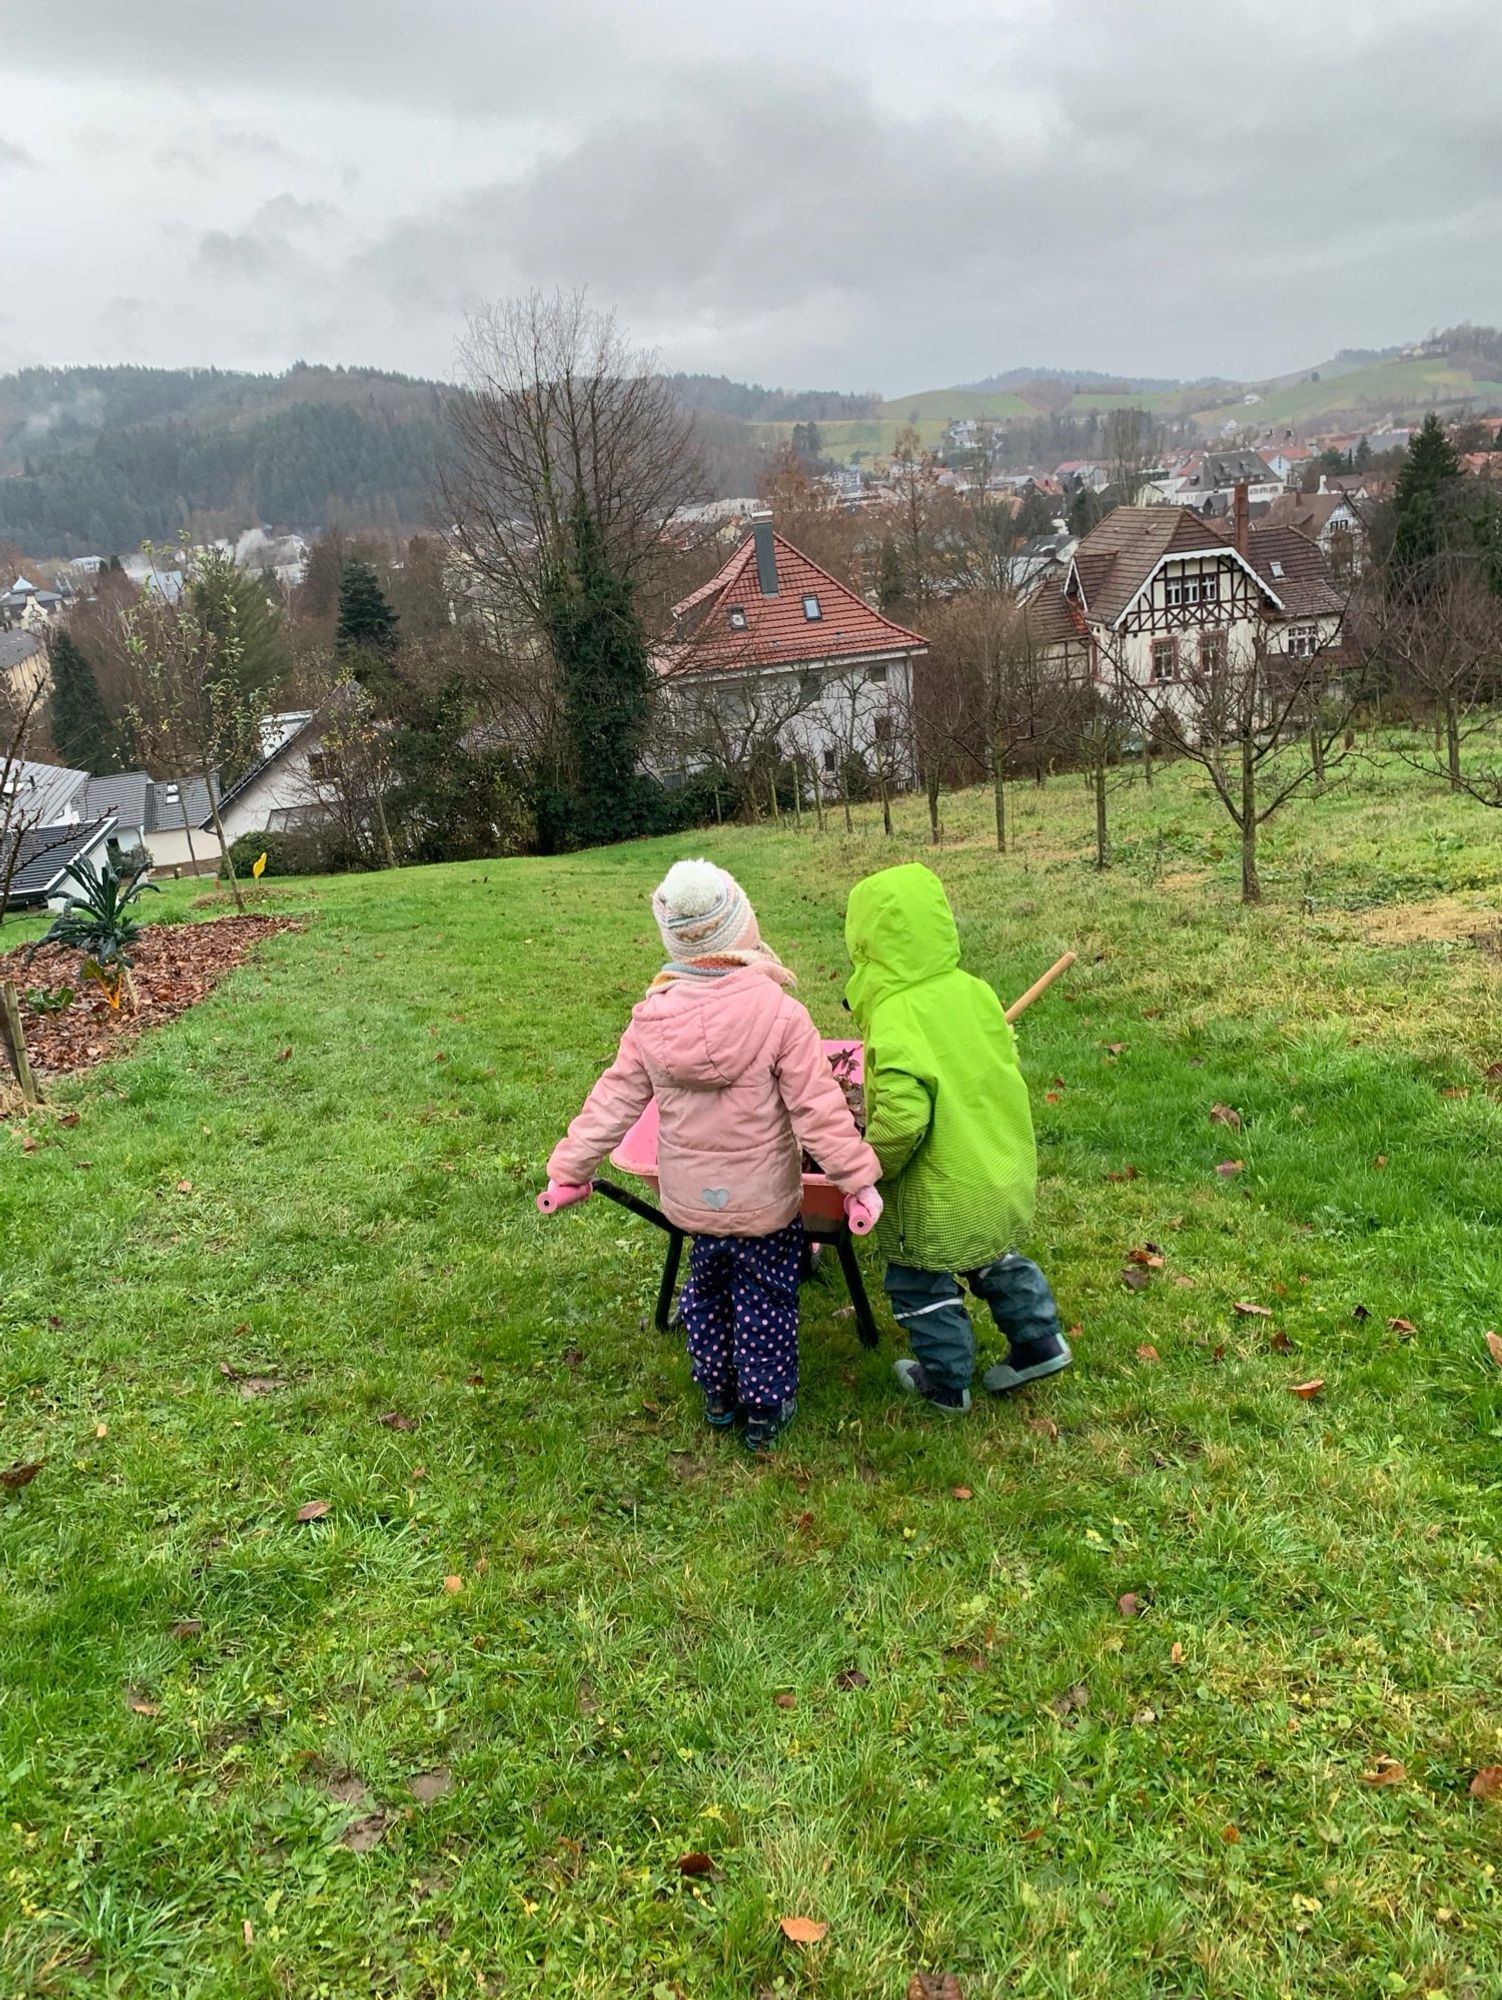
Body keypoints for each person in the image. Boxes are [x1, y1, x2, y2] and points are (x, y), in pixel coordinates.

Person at [539, 859, 881, 1452]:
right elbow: (818, 1112)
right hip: (766, 1205)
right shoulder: (779, 1014)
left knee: (707, 1294)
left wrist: (569, 1170)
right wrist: (856, 1182)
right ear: (743, 928)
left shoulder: (653, 1021)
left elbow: (613, 1101)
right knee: (765, 1299)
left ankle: (719, 1396)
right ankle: (765, 1408)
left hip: (692, 1203)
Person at [844, 862, 1071, 1414]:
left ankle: (945, 1382)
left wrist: (868, 1162)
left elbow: (902, 1118)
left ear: (867, 943)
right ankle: (1040, 1340)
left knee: (918, 1280)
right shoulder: (974, 991)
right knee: (995, 1255)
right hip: (993, 1163)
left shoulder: (895, 1014)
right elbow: (1001, 1060)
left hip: (938, 1187)